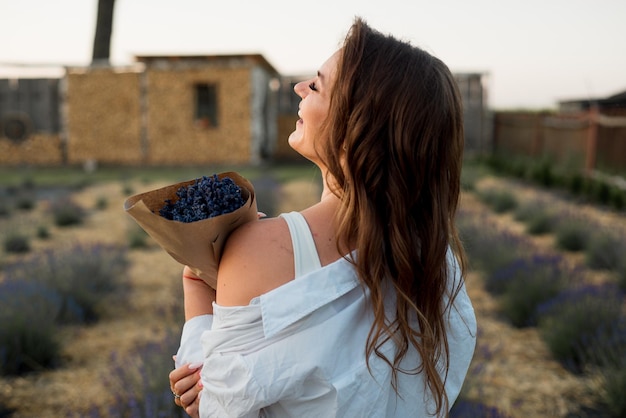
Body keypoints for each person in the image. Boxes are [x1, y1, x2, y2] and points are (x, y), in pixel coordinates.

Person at [169, 17, 476, 418]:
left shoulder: (259, 248)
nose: (299, 88)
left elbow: (217, 405)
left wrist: (195, 288)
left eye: (315, 85)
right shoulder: (435, 261)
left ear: (355, 127)